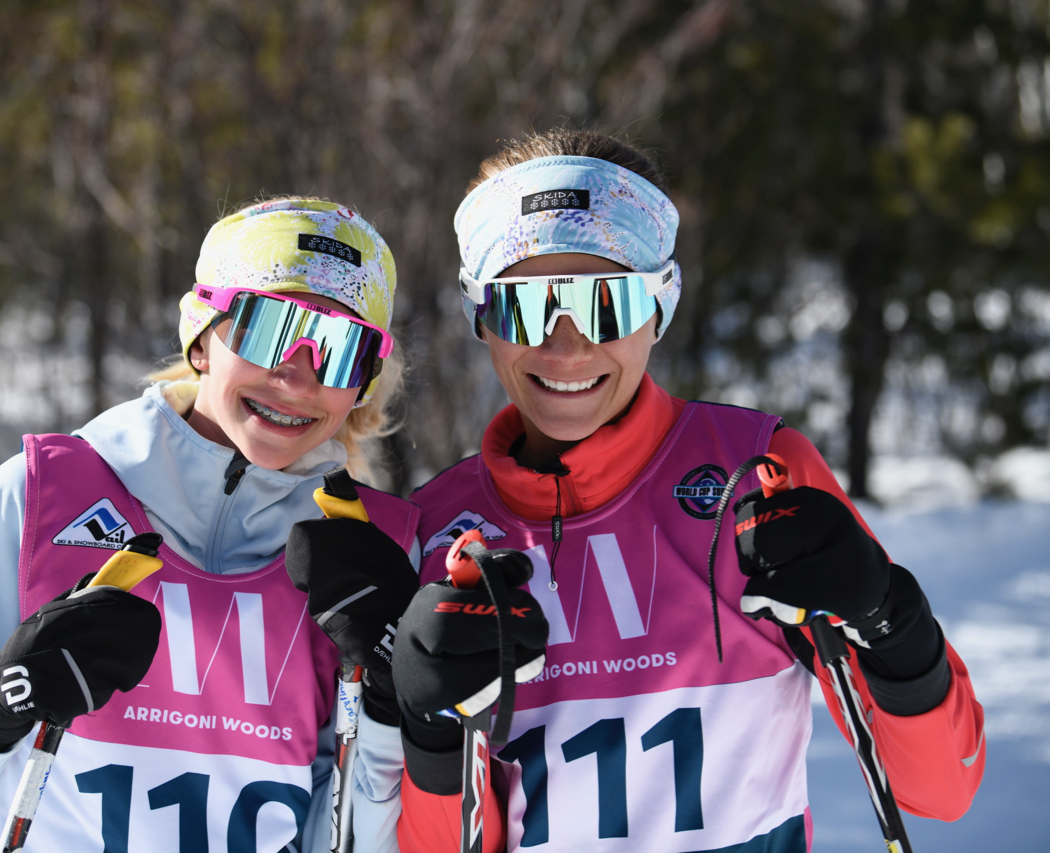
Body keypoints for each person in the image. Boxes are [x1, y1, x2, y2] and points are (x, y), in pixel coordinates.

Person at [351, 129, 985, 852]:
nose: (566, 345)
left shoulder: (758, 471)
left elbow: (940, 787)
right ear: (479, 315)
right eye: (525, 305)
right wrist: (432, 735)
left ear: (662, 304)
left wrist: (888, 618)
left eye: (607, 303)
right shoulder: (435, 531)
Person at [0, 198, 423, 853]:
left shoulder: (372, 549)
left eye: (340, 348)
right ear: (200, 334)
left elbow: (363, 827)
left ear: (362, 384)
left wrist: (388, 703)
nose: (295, 373)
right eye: (268, 326)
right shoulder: (45, 493)